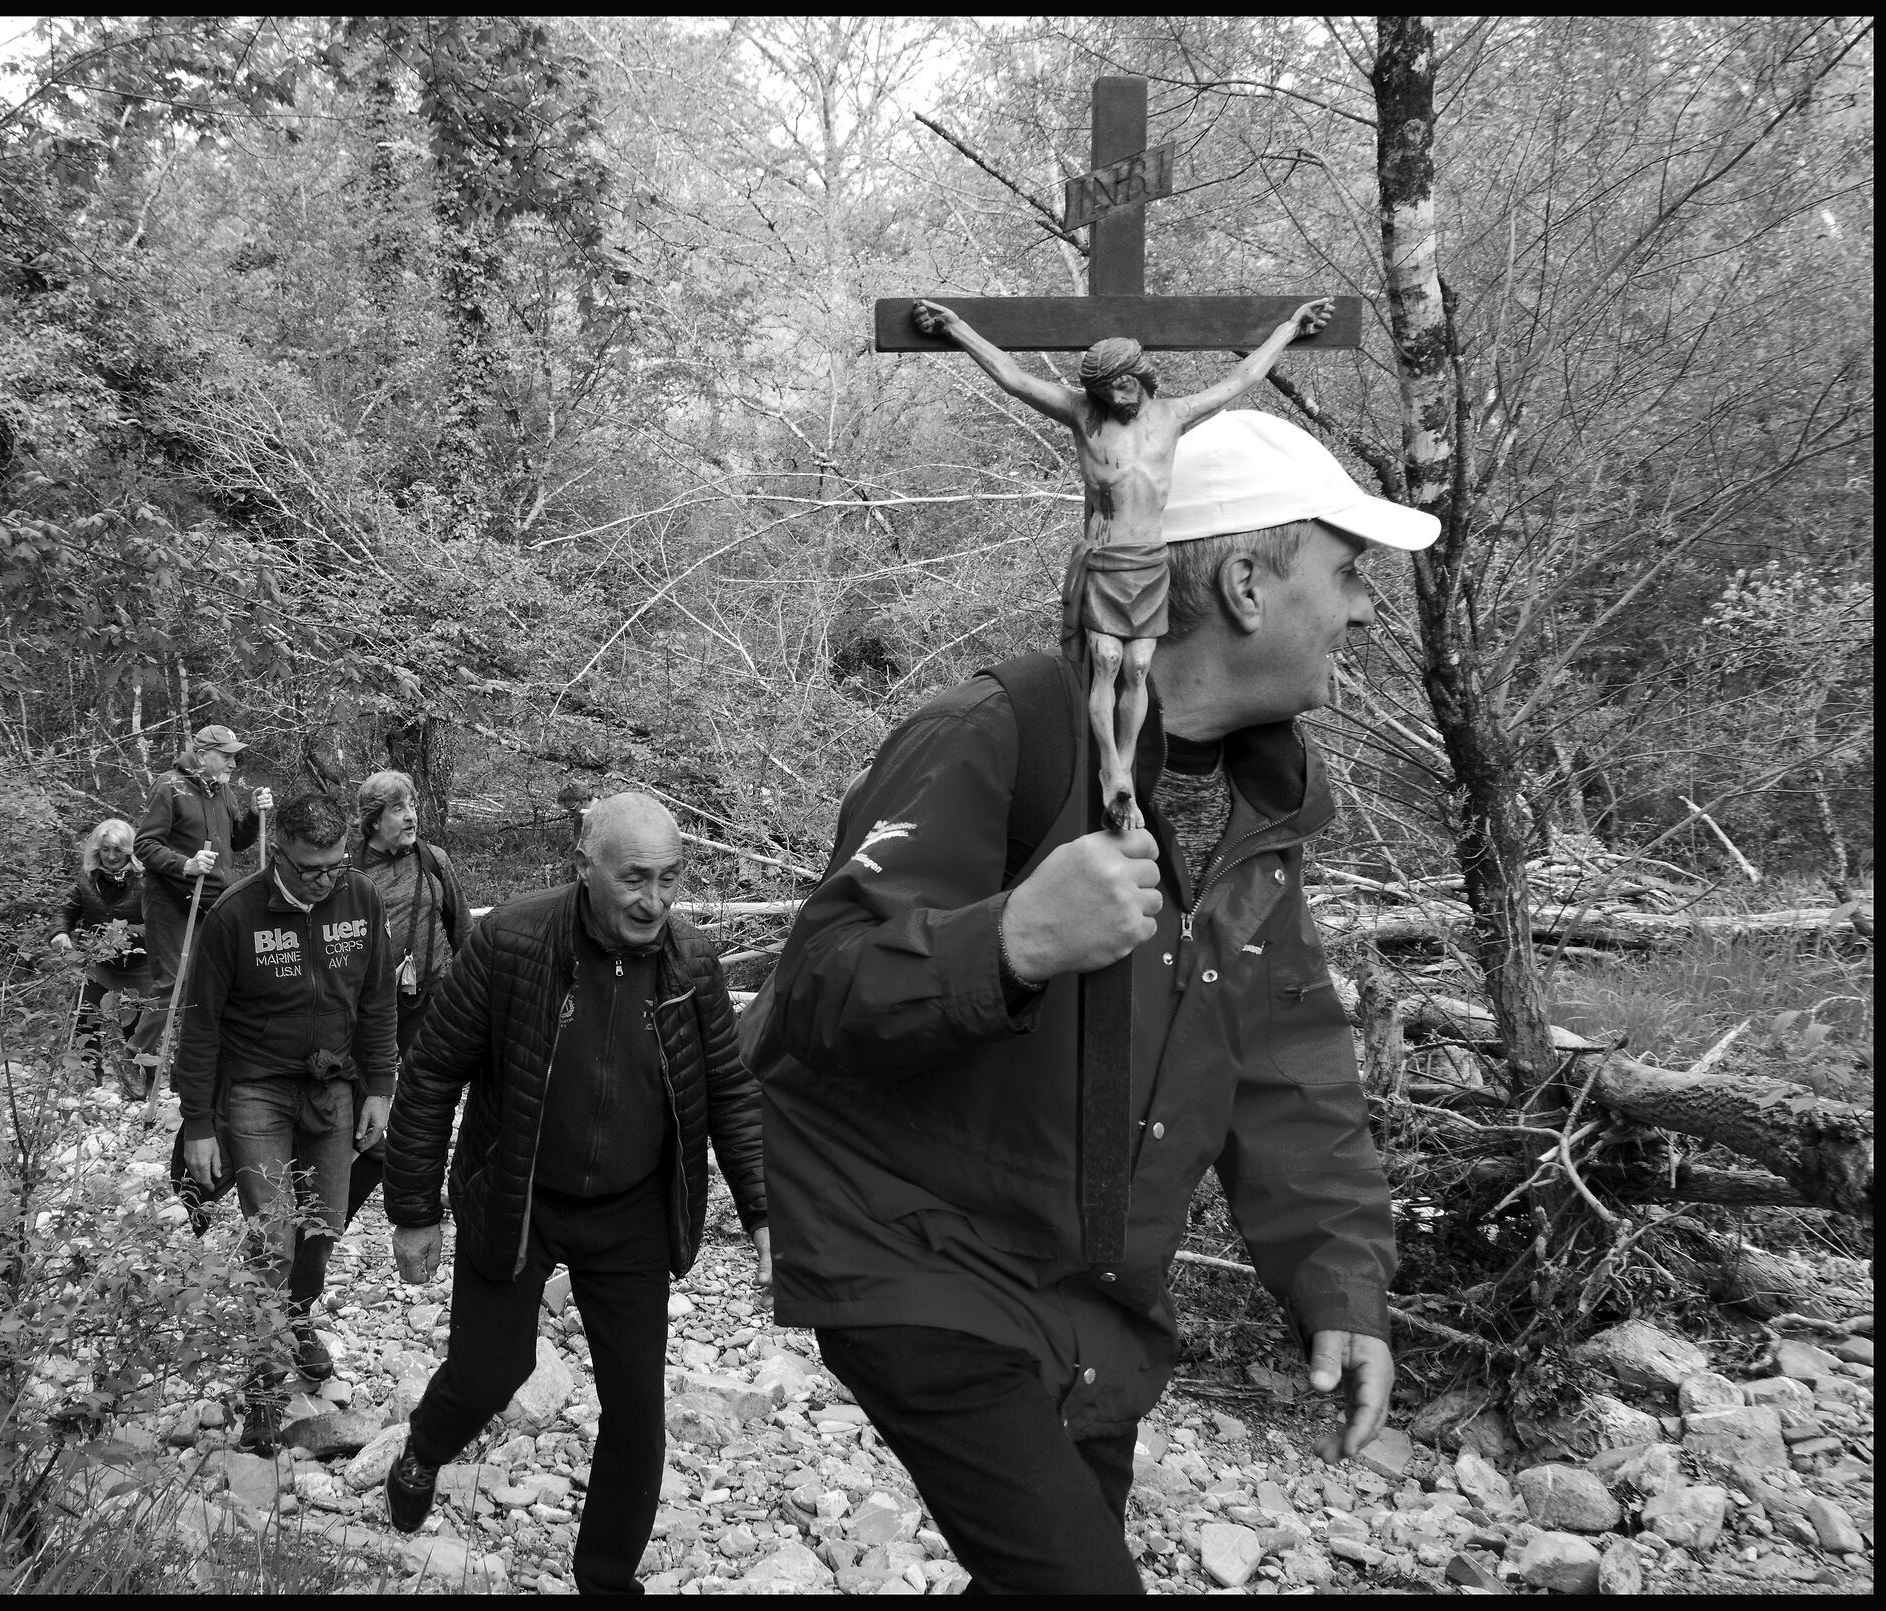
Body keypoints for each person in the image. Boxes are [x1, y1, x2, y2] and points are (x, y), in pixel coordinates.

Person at [758, 410, 1437, 1593]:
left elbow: (1287, 1070)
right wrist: (1010, 942)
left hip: (1093, 1294)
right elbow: (815, 990)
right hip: (920, 1252)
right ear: (1242, 582)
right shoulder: (996, 733)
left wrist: (1340, 1284)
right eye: (1347, 573)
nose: (1365, 608)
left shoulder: (1258, 816)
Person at [380, 793, 770, 1594]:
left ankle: (604, 1578)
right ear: (584, 868)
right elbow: (428, 1075)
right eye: (635, 878)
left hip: (630, 1212)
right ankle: (424, 1445)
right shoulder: (512, 941)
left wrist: (764, 1211)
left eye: (669, 879)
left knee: (636, 1410)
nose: (653, 900)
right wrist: (414, 1209)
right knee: (492, 1372)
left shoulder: (689, 962)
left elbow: (730, 1090)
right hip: (518, 1193)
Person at [911, 297, 1335, 832]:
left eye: (1124, 384)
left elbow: (1241, 378)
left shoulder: (1174, 416)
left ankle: (1127, 764)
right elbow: (1014, 379)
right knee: (1108, 662)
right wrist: (957, 329)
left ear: (1141, 376)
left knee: (1137, 669)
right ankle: (1112, 769)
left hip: (1150, 563)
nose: (1117, 396)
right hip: (1107, 559)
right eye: (1106, 389)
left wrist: (1289, 329)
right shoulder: (1083, 416)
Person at [173, 792, 399, 1442]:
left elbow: (379, 996)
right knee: (273, 1236)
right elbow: (200, 1025)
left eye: (336, 864)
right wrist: (196, 1124)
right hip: (255, 1090)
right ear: (279, 856)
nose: (327, 879)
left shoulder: (360, 900)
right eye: (311, 869)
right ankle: (264, 1387)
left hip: (332, 1086)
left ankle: (296, 1321)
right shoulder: (234, 914)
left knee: (322, 1227)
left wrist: (380, 1087)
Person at [345, 769, 473, 1225]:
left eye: (412, 805)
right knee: (365, 1097)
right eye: (398, 809)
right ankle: (341, 1193)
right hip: (369, 1006)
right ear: (374, 820)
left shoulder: (433, 859)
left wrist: (475, 991)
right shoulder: (349, 869)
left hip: (432, 995)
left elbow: (462, 929)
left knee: (426, 1098)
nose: (411, 816)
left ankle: (419, 1192)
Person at [134, 724, 272, 1086]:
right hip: (170, 900)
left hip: (211, 901)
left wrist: (255, 815)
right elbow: (144, 846)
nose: (232, 763)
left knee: (206, 986)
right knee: (172, 984)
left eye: (233, 756)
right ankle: (134, 1058)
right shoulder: (169, 786)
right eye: (225, 756)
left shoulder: (222, 790)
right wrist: (186, 864)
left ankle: (186, 1069)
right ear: (201, 755)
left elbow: (236, 841)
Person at [50, 817, 156, 1089]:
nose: (111, 856)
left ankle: (142, 1082)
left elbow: (157, 924)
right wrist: (60, 932)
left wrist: (125, 933)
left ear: (129, 850)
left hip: (138, 966)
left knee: (138, 1028)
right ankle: (90, 1077)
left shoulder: (146, 881)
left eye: (117, 850)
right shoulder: (88, 880)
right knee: (86, 1018)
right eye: (105, 849)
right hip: (98, 964)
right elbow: (65, 909)